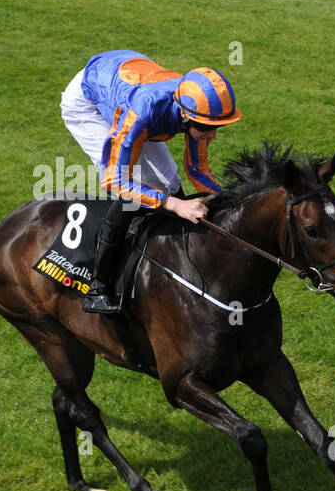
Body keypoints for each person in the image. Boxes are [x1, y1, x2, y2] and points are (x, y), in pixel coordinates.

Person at [59, 51, 242, 313]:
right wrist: (175, 205)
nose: (211, 135)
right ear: (185, 116)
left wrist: (231, 202)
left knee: (168, 181)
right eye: (206, 127)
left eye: (218, 127)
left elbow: (197, 169)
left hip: (129, 79)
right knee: (133, 190)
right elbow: (114, 181)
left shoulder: (194, 108)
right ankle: (99, 286)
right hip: (90, 104)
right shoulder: (144, 112)